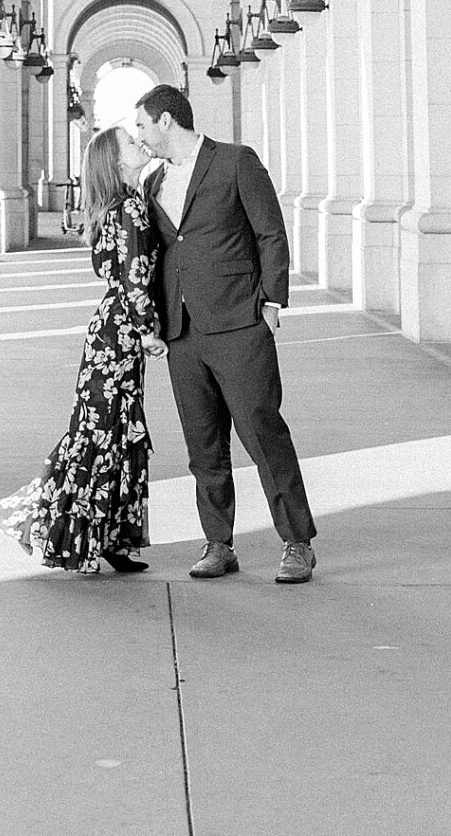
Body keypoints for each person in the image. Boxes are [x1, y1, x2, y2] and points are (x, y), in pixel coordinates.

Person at [132, 81, 318, 585]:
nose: (140, 136)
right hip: (182, 331)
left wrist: (273, 302)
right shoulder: (152, 182)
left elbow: (270, 232)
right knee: (203, 445)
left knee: (263, 433)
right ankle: (218, 543)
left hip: (239, 322)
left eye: (142, 125)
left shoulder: (236, 161)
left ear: (166, 119)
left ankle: (297, 543)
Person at [0, 124, 164, 574]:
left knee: (112, 432)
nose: (139, 143)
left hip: (109, 333)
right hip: (121, 334)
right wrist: (148, 330)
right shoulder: (130, 209)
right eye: (130, 142)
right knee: (105, 434)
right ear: (116, 162)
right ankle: (61, 531)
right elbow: (134, 278)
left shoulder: (121, 205)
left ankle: (107, 539)